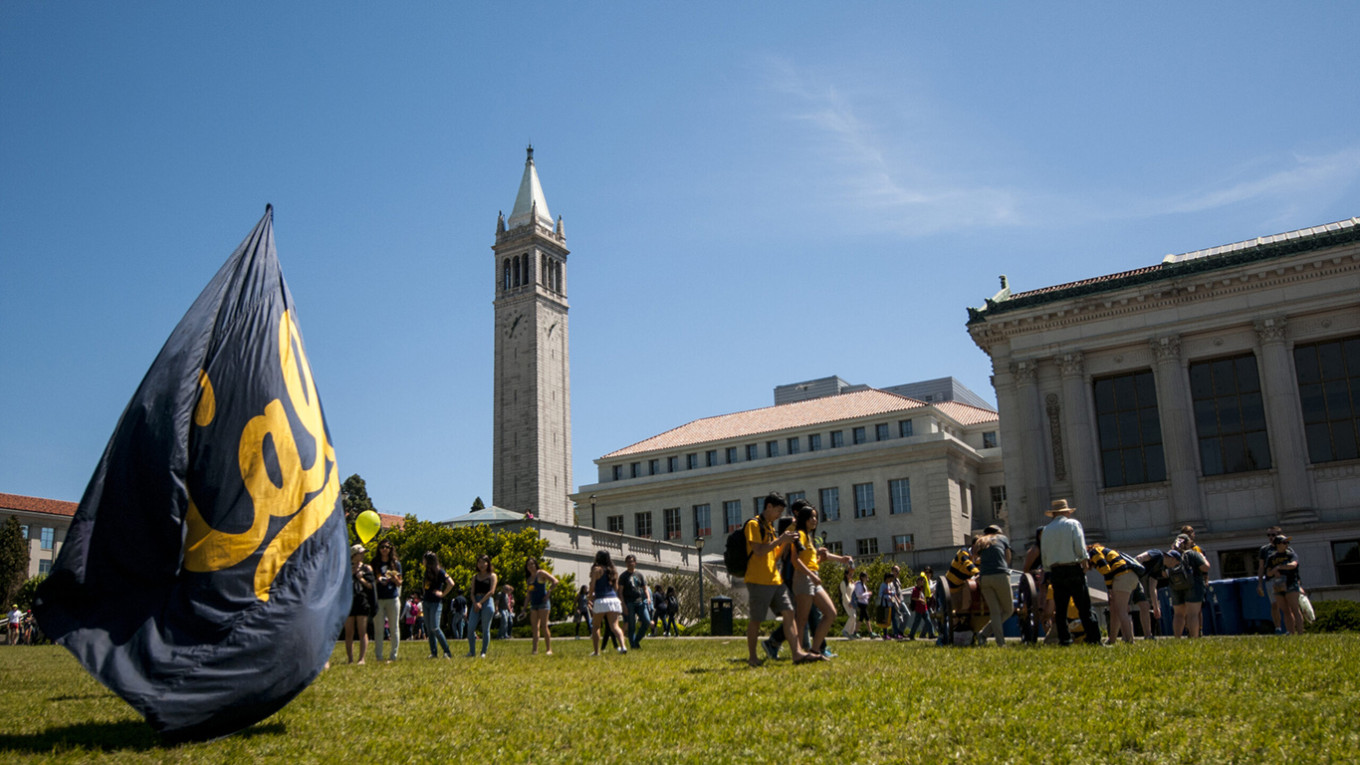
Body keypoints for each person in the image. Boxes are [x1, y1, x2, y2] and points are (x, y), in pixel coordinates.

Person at [743, 492, 819, 666]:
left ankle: (797, 653)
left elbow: (774, 556)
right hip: (758, 579)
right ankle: (753, 657)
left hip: (775, 579)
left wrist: (785, 541)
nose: (779, 515)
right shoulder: (754, 525)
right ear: (768, 506)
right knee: (756, 619)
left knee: (790, 612)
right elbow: (759, 551)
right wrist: (781, 539)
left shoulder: (770, 527)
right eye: (777, 511)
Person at [788, 501, 853, 658]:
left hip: (813, 577)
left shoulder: (809, 538)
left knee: (831, 613)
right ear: (803, 519)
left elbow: (819, 558)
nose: (814, 520)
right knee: (801, 621)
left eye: (816, 517)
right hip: (804, 578)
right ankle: (798, 654)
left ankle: (815, 650)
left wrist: (842, 559)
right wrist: (811, 575)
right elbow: (795, 561)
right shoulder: (800, 536)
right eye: (811, 517)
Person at [1041, 499, 1101, 646]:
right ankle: (1094, 639)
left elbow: (1045, 554)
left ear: (1053, 514)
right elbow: (1079, 543)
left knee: (1060, 609)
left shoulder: (1046, 530)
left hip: (1056, 570)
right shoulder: (1073, 524)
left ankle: (1065, 639)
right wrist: (1084, 559)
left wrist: (1049, 569)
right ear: (1066, 512)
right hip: (1072, 568)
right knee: (1084, 607)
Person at [1087, 543, 1141, 644]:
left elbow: (1106, 570)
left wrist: (1109, 588)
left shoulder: (1093, 552)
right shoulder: (1103, 550)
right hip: (1130, 576)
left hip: (1121, 577)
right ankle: (1112, 640)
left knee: (1121, 611)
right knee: (1115, 610)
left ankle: (1130, 640)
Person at [972, 525, 1013, 647]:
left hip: (985, 578)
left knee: (995, 612)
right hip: (1000, 575)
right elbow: (1008, 558)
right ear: (998, 532)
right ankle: (991, 637)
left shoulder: (981, 541)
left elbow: (974, 556)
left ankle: (987, 636)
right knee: (1008, 610)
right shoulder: (1002, 538)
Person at [588, 550, 629, 655]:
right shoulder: (613, 570)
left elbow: (592, 586)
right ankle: (623, 647)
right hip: (613, 600)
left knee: (596, 626)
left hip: (601, 600)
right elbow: (615, 587)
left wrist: (589, 597)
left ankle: (597, 652)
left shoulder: (597, 569)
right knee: (615, 626)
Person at [1164, 545, 1209, 638]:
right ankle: (1194, 638)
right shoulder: (1193, 554)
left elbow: (1164, 574)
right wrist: (1203, 558)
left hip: (1175, 586)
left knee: (1178, 614)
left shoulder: (1170, 556)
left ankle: (1177, 638)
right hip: (1192, 585)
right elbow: (1205, 568)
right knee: (1192, 613)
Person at [1265, 535, 1305, 635]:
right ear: (1278, 544)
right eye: (1284, 542)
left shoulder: (1291, 555)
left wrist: (1279, 567)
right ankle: (1291, 632)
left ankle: (1300, 633)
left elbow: (1293, 565)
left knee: (1295, 609)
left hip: (1291, 584)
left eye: (1287, 542)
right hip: (1278, 585)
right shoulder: (1271, 558)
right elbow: (1268, 573)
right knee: (1285, 611)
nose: (1286, 544)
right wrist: (1275, 570)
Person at [371, 540, 403, 661]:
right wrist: (378, 580)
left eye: (387, 547)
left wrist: (394, 578)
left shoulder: (395, 563)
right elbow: (370, 581)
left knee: (394, 628)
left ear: (391, 549)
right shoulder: (374, 563)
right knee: (378, 629)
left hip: (392, 598)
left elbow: (400, 583)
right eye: (382, 547)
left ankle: (393, 655)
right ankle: (378, 656)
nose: (384, 549)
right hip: (378, 598)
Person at [345, 544, 377, 664]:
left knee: (362, 631)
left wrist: (361, 579)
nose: (363, 555)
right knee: (349, 632)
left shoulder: (366, 568)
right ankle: (350, 659)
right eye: (361, 553)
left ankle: (361, 658)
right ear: (354, 555)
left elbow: (371, 586)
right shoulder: (346, 568)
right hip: (349, 601)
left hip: (362, 600)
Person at [421, 551, 454, 659]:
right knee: (429, 629)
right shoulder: (427, 571)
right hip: (426, 602)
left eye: (424, 559)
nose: (423, 561)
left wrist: (443, 594)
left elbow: (451, 583)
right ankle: (434, 653)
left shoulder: (440, 571)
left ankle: (447, 651)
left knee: (435, 627)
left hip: (435, 603)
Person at [525, 558, 559, 655]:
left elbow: (555, 581)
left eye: (532, 564)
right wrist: (524, 608)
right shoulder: (529, 580)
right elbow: (528, 595)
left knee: (544, 626)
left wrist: (549, 592)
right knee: (535, 628)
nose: (530, 566)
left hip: (543, 603)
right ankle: (534, 650)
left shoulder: (541, 573)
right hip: (534, 604)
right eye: (528, 565)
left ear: (536, 565)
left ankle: (549, 649)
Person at [1257, 525, 1286, 633]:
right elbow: (1261, 567)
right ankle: (1278, 628)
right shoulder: (1264, 550)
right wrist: (1260, 583)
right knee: (1274, 605)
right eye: (1268, 535)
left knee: (1287, 604)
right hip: (1271, 580)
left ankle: (1291, 628)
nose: (1270, 537)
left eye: (1273, 535)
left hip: (1284, 579)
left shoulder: (1284, 547)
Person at [467, 555, 497, 658]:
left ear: (488, 563)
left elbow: (492, 591)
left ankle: (483, 652)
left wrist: (481, 602)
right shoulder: (475, 577)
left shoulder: (492, 576)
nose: (481, 565)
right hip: (476, 600)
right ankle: (472, 651)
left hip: (487, 601)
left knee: (485, 629)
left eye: (484, 562)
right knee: (470, 628)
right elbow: (472, 592)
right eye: (479, 562)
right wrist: (475, 602)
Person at [619, 555, 652, 649]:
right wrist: (623, 605)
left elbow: (645, 588)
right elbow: (620, 592)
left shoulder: (639, 575)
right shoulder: (623, 576)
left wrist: (648, 598)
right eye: (628, 561)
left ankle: (636, 640)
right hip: (629, 603)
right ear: (626, 563)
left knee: (646, 621)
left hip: (640, 602)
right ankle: (633, 645)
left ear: (635, 563)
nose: (630, 563)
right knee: (631, 625)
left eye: (632, 561)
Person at [906, 573, 936, 640]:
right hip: (919, 609)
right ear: (917, 582)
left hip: (924, 608)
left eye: (923, 581)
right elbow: (913, 598)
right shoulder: (915, 589)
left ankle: (931, 634)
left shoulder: (923, 589)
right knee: (917, 622)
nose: (922, 582)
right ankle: (911, 634)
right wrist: (920, 600)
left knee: (928, 621)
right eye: (921, 581)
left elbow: (927, 592)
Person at [852, 571, 873, 638]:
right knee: (867, 618)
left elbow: (863, 595)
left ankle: (855, 632)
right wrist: (868, 593)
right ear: (862, 577)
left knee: (861, 619)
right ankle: (870, 632)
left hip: (864, 603)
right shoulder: (858, 585)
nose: (866, 578)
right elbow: (859, 595)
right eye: (865, 577)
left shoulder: (863, 585)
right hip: (861, 603)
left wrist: (867, 596)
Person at [838, 568, 859, 639]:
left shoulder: (851, 583)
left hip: (852, 602)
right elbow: (844, 594)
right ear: (846, 575)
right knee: (852, 616)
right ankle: (845, 630)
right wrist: (848, 602)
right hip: (846, 602)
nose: (851, 576)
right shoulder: (843, 583)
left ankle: (851, 633)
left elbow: (853, 591)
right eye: (849, 574)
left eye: (852, 574)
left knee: (854, 617)